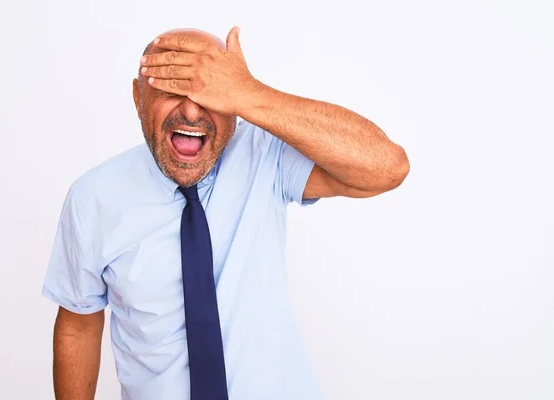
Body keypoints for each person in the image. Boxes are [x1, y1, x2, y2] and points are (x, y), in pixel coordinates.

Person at [41, 26, 409, 400]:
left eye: (210, 94)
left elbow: (386, 168)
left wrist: (248, 93)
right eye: (171, 91)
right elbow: (78, 325)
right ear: (138, 98)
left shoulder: (265, 156)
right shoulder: (93, 199)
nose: (190, 110)